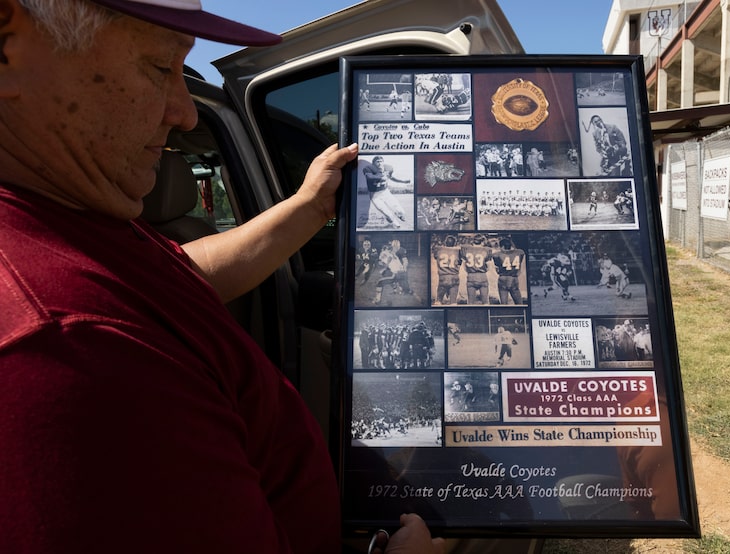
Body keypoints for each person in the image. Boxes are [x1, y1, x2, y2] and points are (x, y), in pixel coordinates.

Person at [0, 1, 442, 553]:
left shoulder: (68, 224)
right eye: (161, 68)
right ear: (7, 46)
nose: (184, 114)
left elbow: (180, 279)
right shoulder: (63, 352)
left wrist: (308, 207)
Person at [363, 155, 409, 228]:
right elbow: (369, 177)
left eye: (381, 161)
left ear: (383, 162)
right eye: (377, 162)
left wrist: (403, 181)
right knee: (385, 210)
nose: (379, 163)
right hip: (374, 195)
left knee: (397, 207)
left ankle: (400, 216)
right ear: (373, 164)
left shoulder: (388, 168)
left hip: (385, 192)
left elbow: (392, 177)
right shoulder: (368, 169)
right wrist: (381, 176)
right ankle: (395, 223)